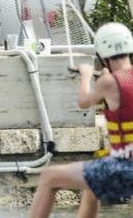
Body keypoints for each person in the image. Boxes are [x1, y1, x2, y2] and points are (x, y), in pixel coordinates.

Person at [29, 22, 133, 218]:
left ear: (103, 53)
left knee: (48, 176)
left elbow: (84, 102)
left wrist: (85, 76)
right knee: (92, 188)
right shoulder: (114, 80)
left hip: (124, 168)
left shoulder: (108, 82)